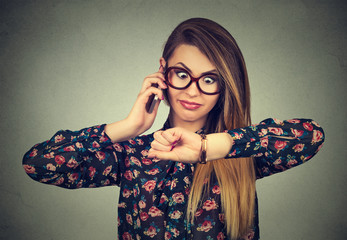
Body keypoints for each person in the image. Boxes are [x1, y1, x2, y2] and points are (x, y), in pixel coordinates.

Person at [22, 18, 325, 240]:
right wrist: (129, 127)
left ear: (225, 86)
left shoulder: (240, 152)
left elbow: (311, 137)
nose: (192, 91)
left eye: (209, 79)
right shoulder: (133, 154)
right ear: (162, 71)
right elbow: (38, 165)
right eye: (182, 74)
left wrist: (209, 148)